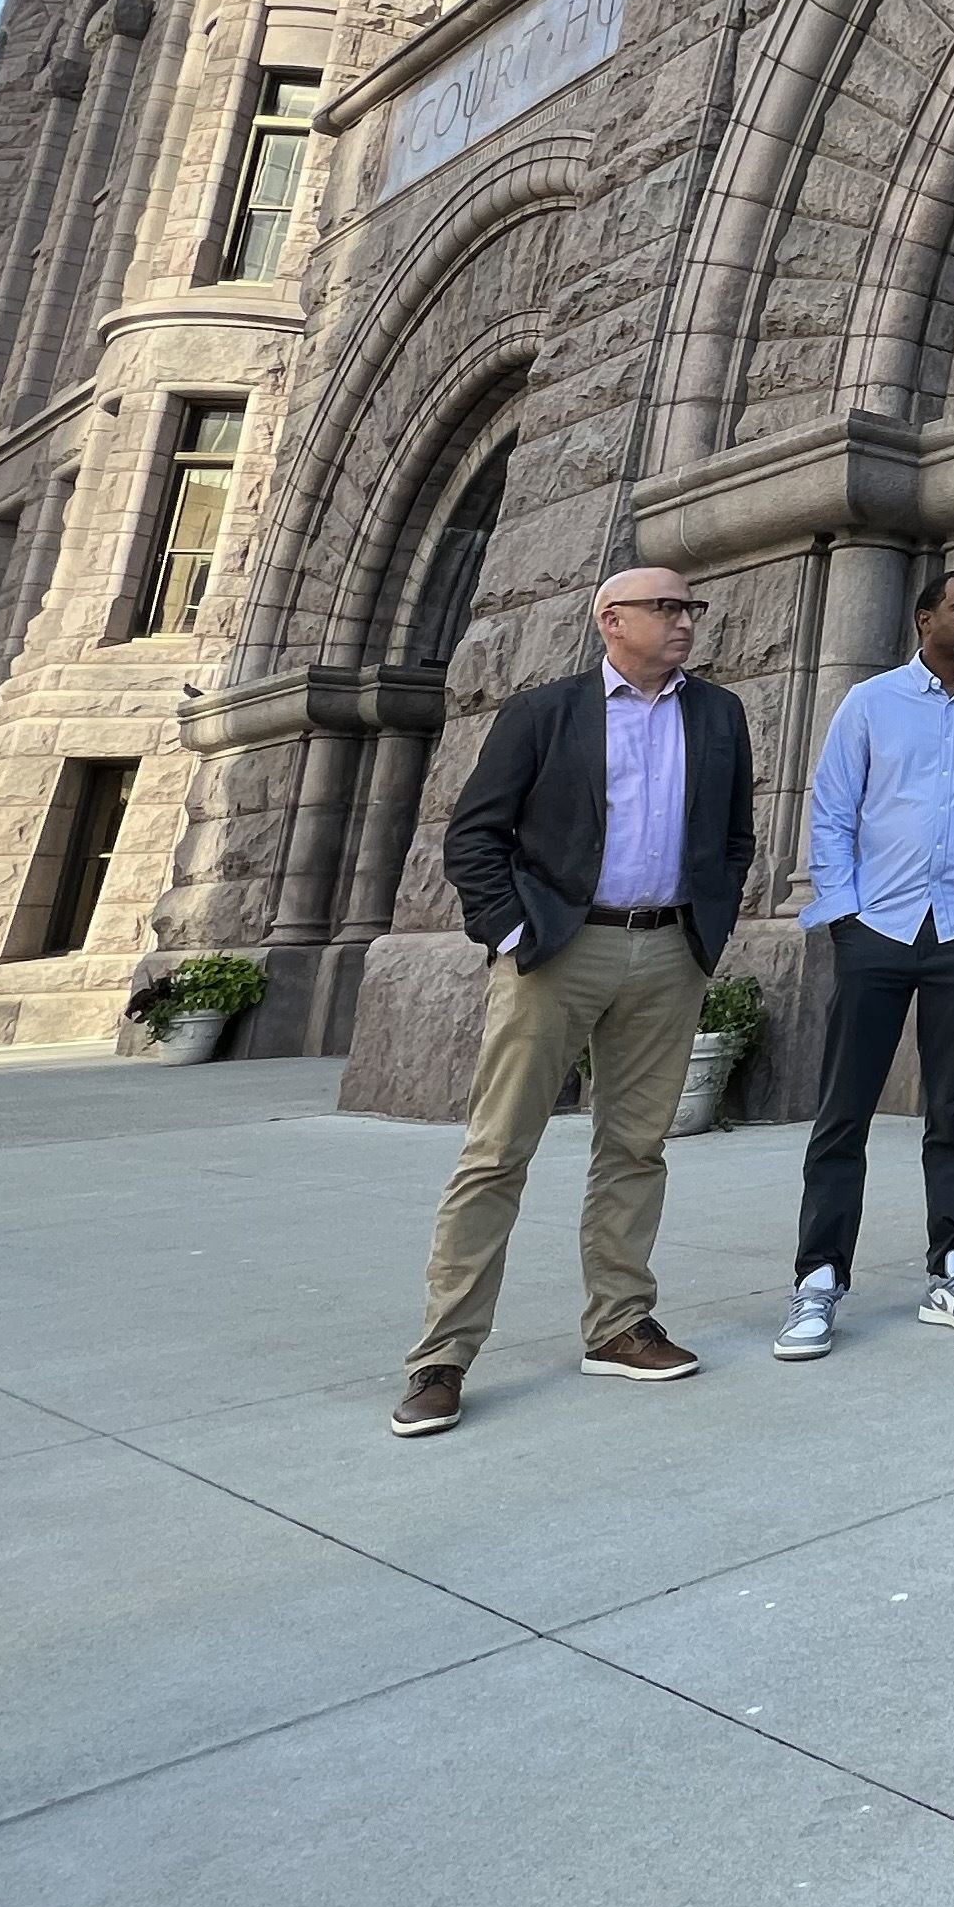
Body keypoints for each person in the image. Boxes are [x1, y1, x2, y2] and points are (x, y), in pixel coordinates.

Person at [393, 567, 756, 1436]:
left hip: (671, 952)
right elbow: (475, 835)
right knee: (496, 1152)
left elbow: (736, 833)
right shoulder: (543, 713)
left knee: (636, 1148)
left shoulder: (719, 715)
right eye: (666, 608)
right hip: (560, 950)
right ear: (612, 620)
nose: (684, 622)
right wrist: (514, 933)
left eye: (689, 608)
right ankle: (441, 1357)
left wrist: (711, 926)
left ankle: (619, 1324)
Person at [774, 565, 954, 1363]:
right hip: (877, 930)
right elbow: (831, 809)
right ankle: (820, 1277)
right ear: (922, 619)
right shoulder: (869, 704)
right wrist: (846, 910)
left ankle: (953, 1266)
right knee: (844, 1111)